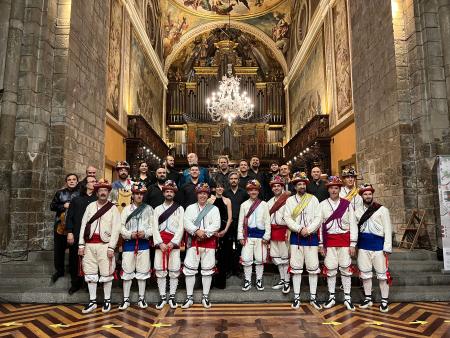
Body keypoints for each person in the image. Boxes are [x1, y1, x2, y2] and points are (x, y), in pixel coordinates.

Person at [78, 179, 121, 313]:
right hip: (89, 244)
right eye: (100, 191)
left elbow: (116, 229)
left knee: (106, 273)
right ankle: (92, 301)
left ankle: (107, 300)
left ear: (108, 193)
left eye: (105, 191)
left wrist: (111, 247)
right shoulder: (90, 207)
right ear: (97, 193)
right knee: (90, 273)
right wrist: (81, 244)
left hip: (105, 245)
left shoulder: (113, 208)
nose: (103, 193)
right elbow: (83, 225)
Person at [318, 176, 358, 311]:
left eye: (336, 188)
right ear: (328, 190)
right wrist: (321, 244)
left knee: (346, 269)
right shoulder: (322, 205)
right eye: (331, 188)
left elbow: (353, 224)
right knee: (330, 269)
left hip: (344, 240)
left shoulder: (346, 204)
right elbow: (320, 226)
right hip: (329, 241)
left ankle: (348, 297)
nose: (334, 190)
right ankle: (332, 297)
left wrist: (353, 243)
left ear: (339, 189)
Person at [284, 172, 321, 310]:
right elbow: (287, 218)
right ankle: (296, 297)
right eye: (299, 184)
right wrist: (300, 229)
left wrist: (309, 229)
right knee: (297, 269)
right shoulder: (290, 201)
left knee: (312, 268)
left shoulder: (313, 199)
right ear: (295, 186)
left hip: (311, 237)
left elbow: (318, 217)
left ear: (306, 185)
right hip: (296, 237)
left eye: (303, 183)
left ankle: (313, 297)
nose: (301, 186)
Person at [182, 183, 220, 309]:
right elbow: (186, 222)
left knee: (207, 271)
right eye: (200, 193)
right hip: (193, 242)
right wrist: (196, 230)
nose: (202, 195)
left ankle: (205, 297)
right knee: (190, 270)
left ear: (208, 195)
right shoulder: (190, 208)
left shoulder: (214, 209)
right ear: (196, 194)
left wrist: (205, 233)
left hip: (209, 242)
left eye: (205, 193)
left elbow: (216, 224)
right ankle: (189, 297)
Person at [356, 183, 392, 313]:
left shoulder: (382, 210)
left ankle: (384, 300)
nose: (367, 196)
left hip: (378, 246)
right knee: (365, 274)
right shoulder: (357, 211)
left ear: (372, 195)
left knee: (382, 275)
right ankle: (368, 298)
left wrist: (387, 247)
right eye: (365, 194)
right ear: (361, 196)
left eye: (369, 194)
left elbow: (388, 229)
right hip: (363, 245)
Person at [118, 182, 153, 311]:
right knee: (127, 271)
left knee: (142, 272)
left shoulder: (149, 209)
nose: (139, 196)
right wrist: (129, 234)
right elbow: (121, 226)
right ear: (132, 195)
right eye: (137, 194)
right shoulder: (126, 210)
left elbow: (153, 227)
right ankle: (126, 299)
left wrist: (145, 233)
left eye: (141, 194)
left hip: (143, 244)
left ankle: (141, 298)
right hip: (129, 244)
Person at [153, 180, 185, 309]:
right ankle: (162, 297)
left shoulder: (180, 208)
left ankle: (171, 296)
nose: (169, 193)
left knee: (174, 270)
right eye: (167, 191)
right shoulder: (157, 209)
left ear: (174, 193)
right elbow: (154, 227)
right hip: (161, 243)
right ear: (163, 193)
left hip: (173, 243)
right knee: (160, 270)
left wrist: (173, 242)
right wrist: (160, 243)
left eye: (171, 191)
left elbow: (181, 227)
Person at [65, 176, 97, 294]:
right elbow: (70, 217)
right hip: (77, 234)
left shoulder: (97, 200)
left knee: (92, 261)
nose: (95, 183)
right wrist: (69, 232)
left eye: (95, 181)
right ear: (86, 184)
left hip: (93, 236)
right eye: (92, 181)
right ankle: (75, 284)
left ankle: (91, 285)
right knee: (74, 260)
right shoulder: (76, 200)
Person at [238, 179, 271, 292]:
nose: (253, 192)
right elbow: (241, 222)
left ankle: (259, 280)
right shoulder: (244, 205)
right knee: (247, 259)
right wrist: (240, 236)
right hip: (248, 235)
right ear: (248, 192)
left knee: (260, 259)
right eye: (251, 190)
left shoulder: (264, 204)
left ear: (258, 191)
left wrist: (267, 235)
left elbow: (267, 221)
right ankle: (247, 280)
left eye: (255, 190)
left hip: (261, 236)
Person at [50, 173, 80, 284]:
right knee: (59, 250)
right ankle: (59, 271)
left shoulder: (80, 194)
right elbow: (52, 206)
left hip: (74, 227)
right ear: (66, 181)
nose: (71, 181)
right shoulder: (59, 193)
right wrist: (63, 206)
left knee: (74, 252)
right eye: (69, 179)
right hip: (60, 226)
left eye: (74, 179)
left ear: (77, 181)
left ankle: (74, 274)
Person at [267, 175, 291, 294]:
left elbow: (292, 217)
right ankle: (282, 279)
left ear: (282, 187)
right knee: (277, 257)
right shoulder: (269, 202)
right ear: (272, 188)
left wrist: (289, 230)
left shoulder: (288, 200)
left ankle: (287, 282)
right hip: (273, 231)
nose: (276, 188)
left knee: (285, 257)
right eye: (274, 186)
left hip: (284, 230)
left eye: (278, 186)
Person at [208, 180, 232, 289]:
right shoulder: (209, 200)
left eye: (221, 187)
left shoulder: (227, 201)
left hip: (223, 231)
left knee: (222, 257)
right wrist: (212, 231)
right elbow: (206, 217)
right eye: (217, 187)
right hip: (212, 231)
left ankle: (221, 283)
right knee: (211, 256)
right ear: (214, 189)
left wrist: (225, 230)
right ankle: (210, 282)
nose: (219, 189)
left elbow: (230, 218)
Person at [224, 172, 249, 275]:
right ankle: (229, 269)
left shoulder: (244, 193)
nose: (233, 180)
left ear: (239, 180)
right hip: (229, 223)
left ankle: (238, 269)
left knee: (239, 247)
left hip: (240, 223)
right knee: (228, 247)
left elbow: (248, 208)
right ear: (229, 180)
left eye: (235, 178)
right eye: (231, 178)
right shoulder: (225, 193)